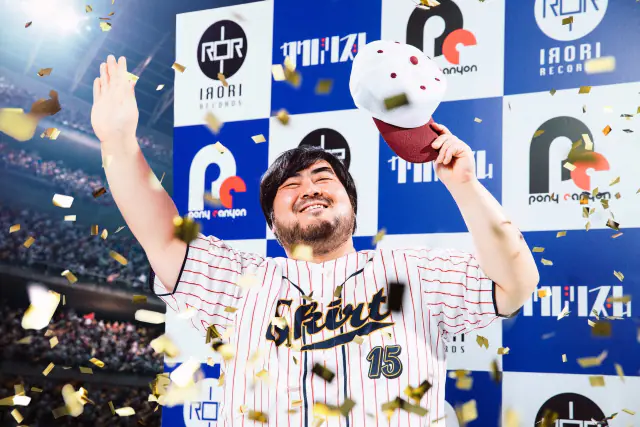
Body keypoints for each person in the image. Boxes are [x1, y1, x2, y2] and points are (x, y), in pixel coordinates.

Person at [91, 54, 539, 426]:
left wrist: (465, 185)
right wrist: (118, 141)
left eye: (324, 178)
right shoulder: (240, 281)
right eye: (291, 185)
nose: (309, 188)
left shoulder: (413, 271)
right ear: (272, 222)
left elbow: (516, 284)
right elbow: (162, 236)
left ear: (352, 207)